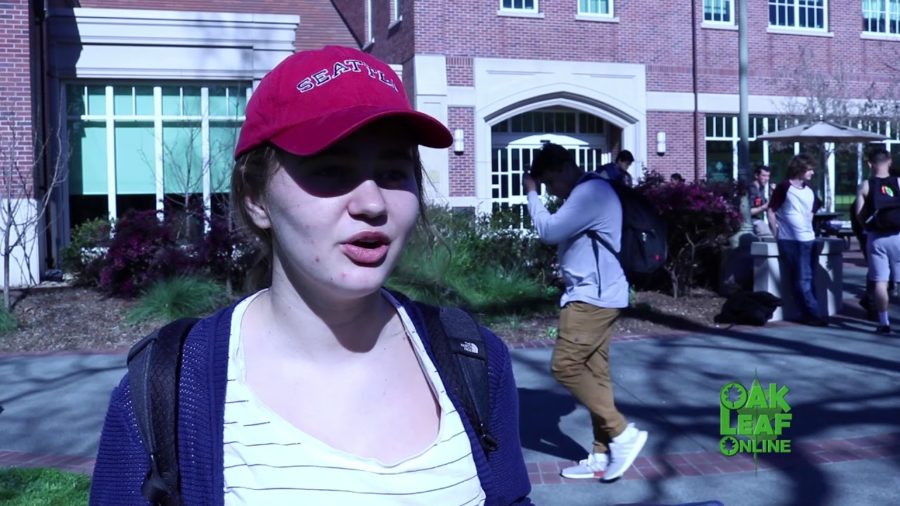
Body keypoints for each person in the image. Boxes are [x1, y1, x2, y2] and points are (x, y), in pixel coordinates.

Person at [90, 46, 532, 505]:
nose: (373, 203)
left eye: (393, 172)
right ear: (256, 199)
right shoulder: (172, 389)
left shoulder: (473, 360)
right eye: (331, 171)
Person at [523, 143, 648, 482]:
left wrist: (531, 194)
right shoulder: (590, 191)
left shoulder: (591, 191)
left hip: (592, 298)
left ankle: (622, 434)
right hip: (599, 294)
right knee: (596, 374)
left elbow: (548, 231)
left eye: (549, 183)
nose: (550, 190)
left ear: (563, 168)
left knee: (564, 366)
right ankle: (601, 453)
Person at [767, 154, 827, 327]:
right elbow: (771, 210)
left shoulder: (809, 189)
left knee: (806, 279)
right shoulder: (784, 187)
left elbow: (815, 206)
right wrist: (776, 233)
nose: (812, 172)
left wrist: (808, 220)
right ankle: (814, 315)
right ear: (799, 169)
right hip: (792, 241)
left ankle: (809, 313)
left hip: (809, 239)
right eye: (809, 169)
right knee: (802, 280)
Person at [854, 148, 900, 335]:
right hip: (898, 235)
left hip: (876, 238)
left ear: (869, 163)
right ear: (889, 161)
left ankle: (884, 322)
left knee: (880, 281)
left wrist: (867, 227)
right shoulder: (898, 182)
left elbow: (859, 213)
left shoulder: (866, 185)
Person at [749, 165, 772, 237]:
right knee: (766, 234)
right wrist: (763, 207)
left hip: (756, 219)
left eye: (768, 176)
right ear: (756, 175)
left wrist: (772, 194)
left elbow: (767, 205)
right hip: (748, 221)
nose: (766, 179)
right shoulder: (751, 189)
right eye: (764, 176)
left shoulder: (761, 189)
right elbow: (747, 212)